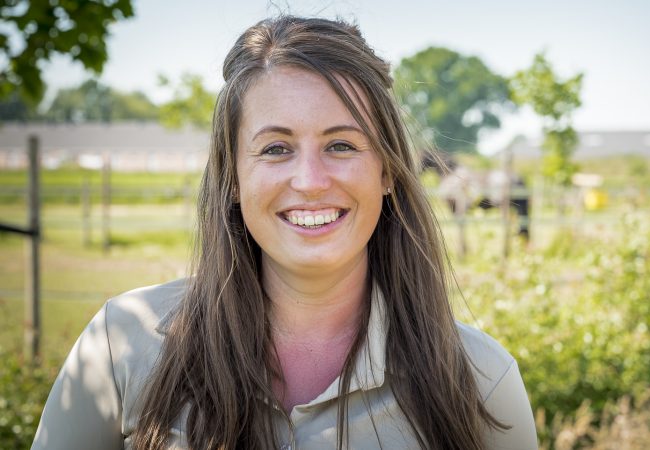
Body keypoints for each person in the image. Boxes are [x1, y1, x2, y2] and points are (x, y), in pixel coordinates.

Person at [31, 16, 537, 450]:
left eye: (341, 145)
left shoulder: (482, 380)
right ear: (232, 177)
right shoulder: (120, 345)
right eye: (275, 149)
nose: (311, 181)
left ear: (386, 171)